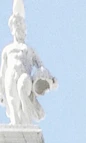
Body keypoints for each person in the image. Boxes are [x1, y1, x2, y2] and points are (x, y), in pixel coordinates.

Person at [0, 0, 56, 128]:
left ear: (25, 31)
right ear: (13, 30)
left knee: (22, 89)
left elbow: (41, 65)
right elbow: (2, 71)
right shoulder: (7, 49)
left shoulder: (29, 49)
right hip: (10, 76)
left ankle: (27, 120)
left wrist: (50, 80)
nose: (20, 30)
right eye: (17, 27)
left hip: (23, 74)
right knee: (12, 100)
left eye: (22, 28)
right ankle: (16, 124)